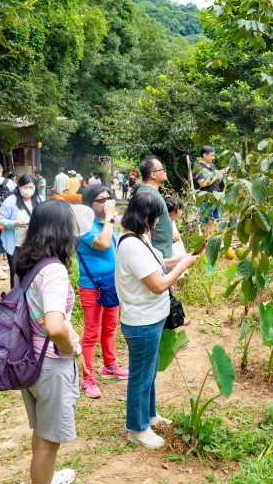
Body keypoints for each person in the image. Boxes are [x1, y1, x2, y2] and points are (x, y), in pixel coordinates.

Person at [13, 200, 88, 484]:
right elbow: (54, 324)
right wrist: (71, 347)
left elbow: (37, 315)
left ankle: (42, 481)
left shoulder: (27, 261)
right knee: (49, 438)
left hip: (28, 359)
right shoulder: (55, 270)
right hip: (50, 364)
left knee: (41, 430)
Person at [115, 192, 199, 448]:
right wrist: (181, 268)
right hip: (141, 322)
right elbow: (158, 284)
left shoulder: (139, 237)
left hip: (150, 318)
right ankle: (137, 429)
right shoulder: (131, 244)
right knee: (141, 375)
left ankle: (149, 415)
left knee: (149, 372)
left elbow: (157, 261)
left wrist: (180, 259)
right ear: (147, 216)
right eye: (157, 218)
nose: (159, 223)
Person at [76, 185, 128, 400]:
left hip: (110, 283)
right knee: (91, 332)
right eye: (101, 200)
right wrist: (109, 219)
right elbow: (104, 244)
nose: (107, 203)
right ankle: (87, 377)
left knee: (110, 327)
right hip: (92, 287)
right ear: (89, 205)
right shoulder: (84, 226)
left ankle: (110, 365)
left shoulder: (106, 223)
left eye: (109, 198)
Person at [0, 175, 41, 287]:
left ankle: (29, 296)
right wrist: (14, 223)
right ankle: (14, 297)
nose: (29, 190)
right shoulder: (10, 201)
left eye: (31, 187)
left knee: (33, 270)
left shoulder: (40, 200)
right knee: (15, 271)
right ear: (19, 186)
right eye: (25, 187)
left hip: (34, 242)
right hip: (15, 243)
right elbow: (1, 220)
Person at [134, 156, 177, 261]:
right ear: (153, 174)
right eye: (162, 168)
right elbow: (144, 229)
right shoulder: (147, 195)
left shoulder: (151, 192)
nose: (165, 170)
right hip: (157, 255)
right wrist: (151, 256)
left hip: (162, 252)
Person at [192, 145, 223, 223]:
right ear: (204, 155)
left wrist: (221, 176)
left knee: (213, 221)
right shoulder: (198, 167)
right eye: (211, 155)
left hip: (215, 198)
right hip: (205, 200)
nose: (213, 157)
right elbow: (203, 183)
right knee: (205, 222)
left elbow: (215, 182)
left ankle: (210, 235)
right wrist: (216, 175)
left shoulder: (211, 166)